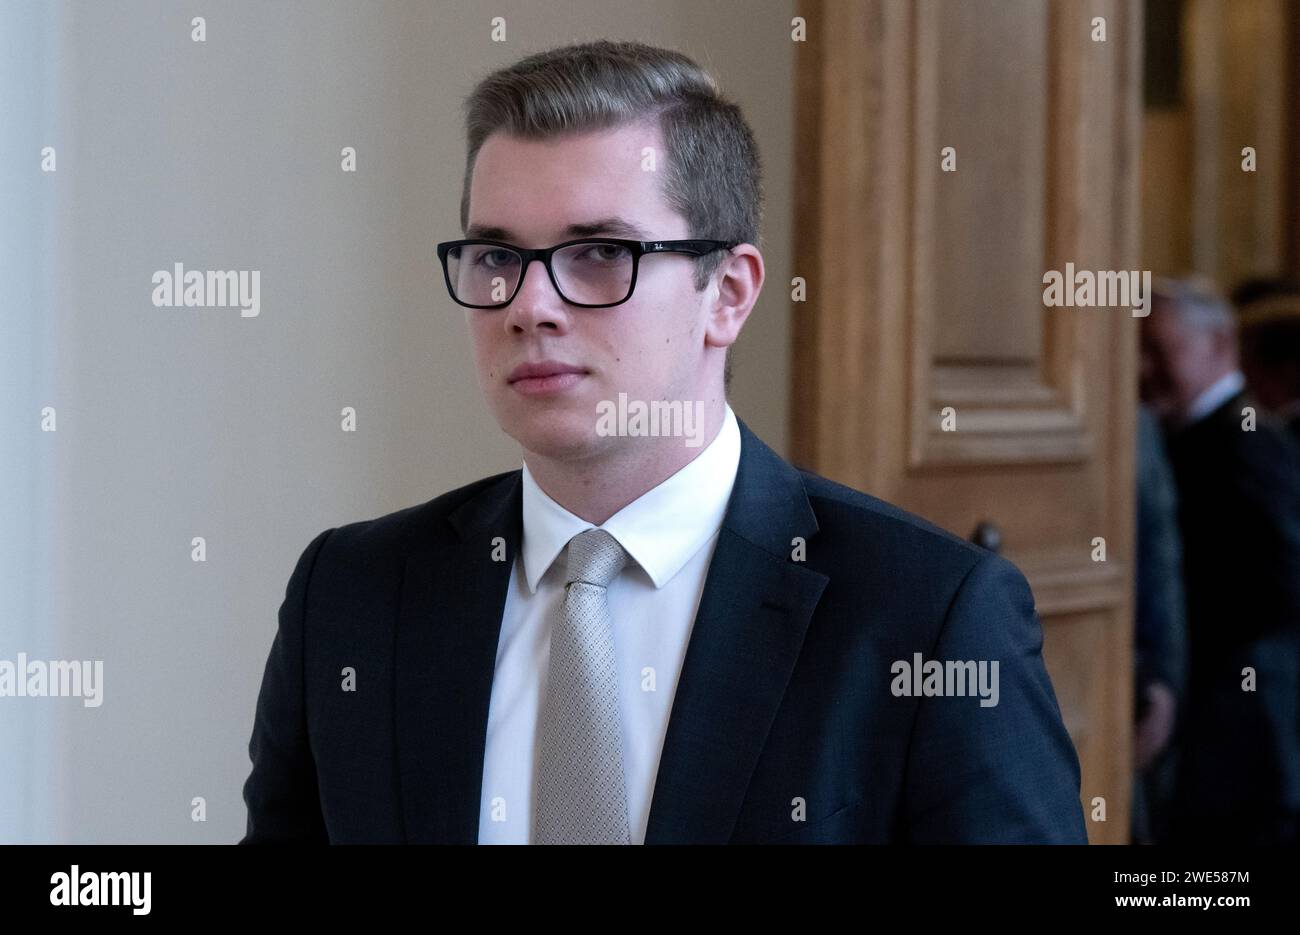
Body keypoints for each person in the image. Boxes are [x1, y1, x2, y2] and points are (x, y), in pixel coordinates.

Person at [240, 39, 1086, 844]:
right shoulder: (349, 595)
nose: (529, 305)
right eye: (497, 256)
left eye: (601, 251)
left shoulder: (927, 616)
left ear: (728, 293)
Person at [1140, 277, 1300, 844]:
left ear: (1219, 345)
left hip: (1247, 725)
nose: (1142, 368)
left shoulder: (1245, 442)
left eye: (1158, 348)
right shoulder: (1192, 434)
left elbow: (1284, 584)